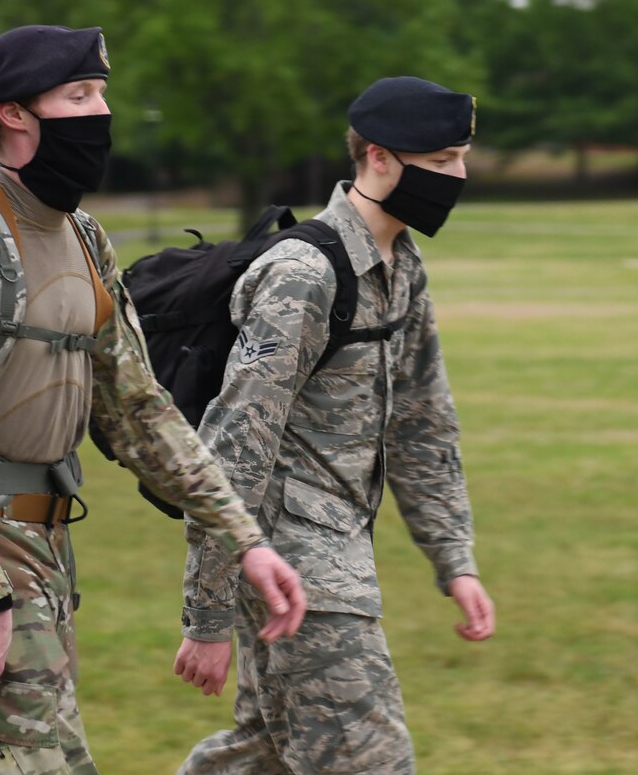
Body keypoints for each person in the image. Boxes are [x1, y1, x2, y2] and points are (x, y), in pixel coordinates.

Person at [0, 24, 306, 773]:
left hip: (49, 542)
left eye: (102, 94)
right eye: (79, 95)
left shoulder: (85, 236)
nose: (100, 113)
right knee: (39, 757)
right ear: (14, 113)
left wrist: (246, 537)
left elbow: (140, 410)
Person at [174, 75, 497, 774]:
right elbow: (233, 446)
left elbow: (422, 424)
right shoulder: (302, 274)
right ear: (378, 157)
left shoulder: (401, 264)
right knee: (371, 760)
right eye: (441, 160)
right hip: (293, 561)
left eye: (461, 156)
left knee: (265, 751)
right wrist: (205, 615)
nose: (460, 174)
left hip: (339, 548)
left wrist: (455, 558)